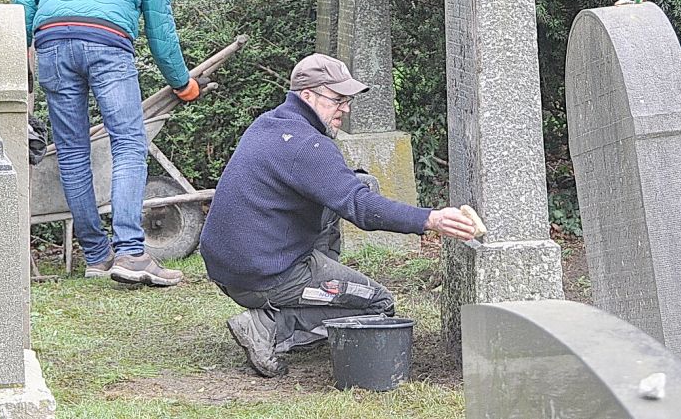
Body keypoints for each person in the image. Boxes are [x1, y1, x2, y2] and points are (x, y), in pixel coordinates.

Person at [199, 53, 479, 377]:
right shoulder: (308, 147)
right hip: (263, 274)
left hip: (227, 265)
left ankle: (308, 294)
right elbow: (361, 207)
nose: (344, 109)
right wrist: (430, 219)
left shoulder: (269, 124)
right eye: (337, 100)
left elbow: (342, 190)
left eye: (346, 100)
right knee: (379, 305)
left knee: (348, 192)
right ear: (307, 96)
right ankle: (269, 327)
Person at [11, 0, 202, 287]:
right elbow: (161, 32)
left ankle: (98, 256)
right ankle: (132, 253)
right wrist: (182, 83)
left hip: (51, 43)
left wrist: (23, 46)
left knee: (72, 152)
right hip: (106, 45)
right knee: (130, 143)